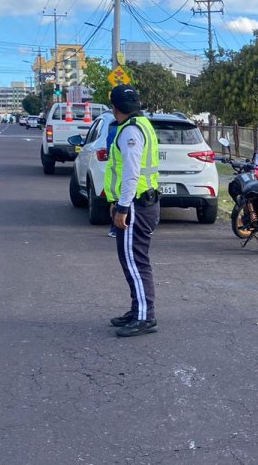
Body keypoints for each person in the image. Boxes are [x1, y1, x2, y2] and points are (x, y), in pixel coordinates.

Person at [103, 84, 160, 338]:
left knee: (135, 262)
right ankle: (138, 309)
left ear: (114, 108)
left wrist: (122, 207)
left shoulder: (130, 132)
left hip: (136, 205)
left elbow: (131, 173)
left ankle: (145, 316)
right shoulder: (142, 124)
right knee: (133, 260)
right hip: (143, 202)